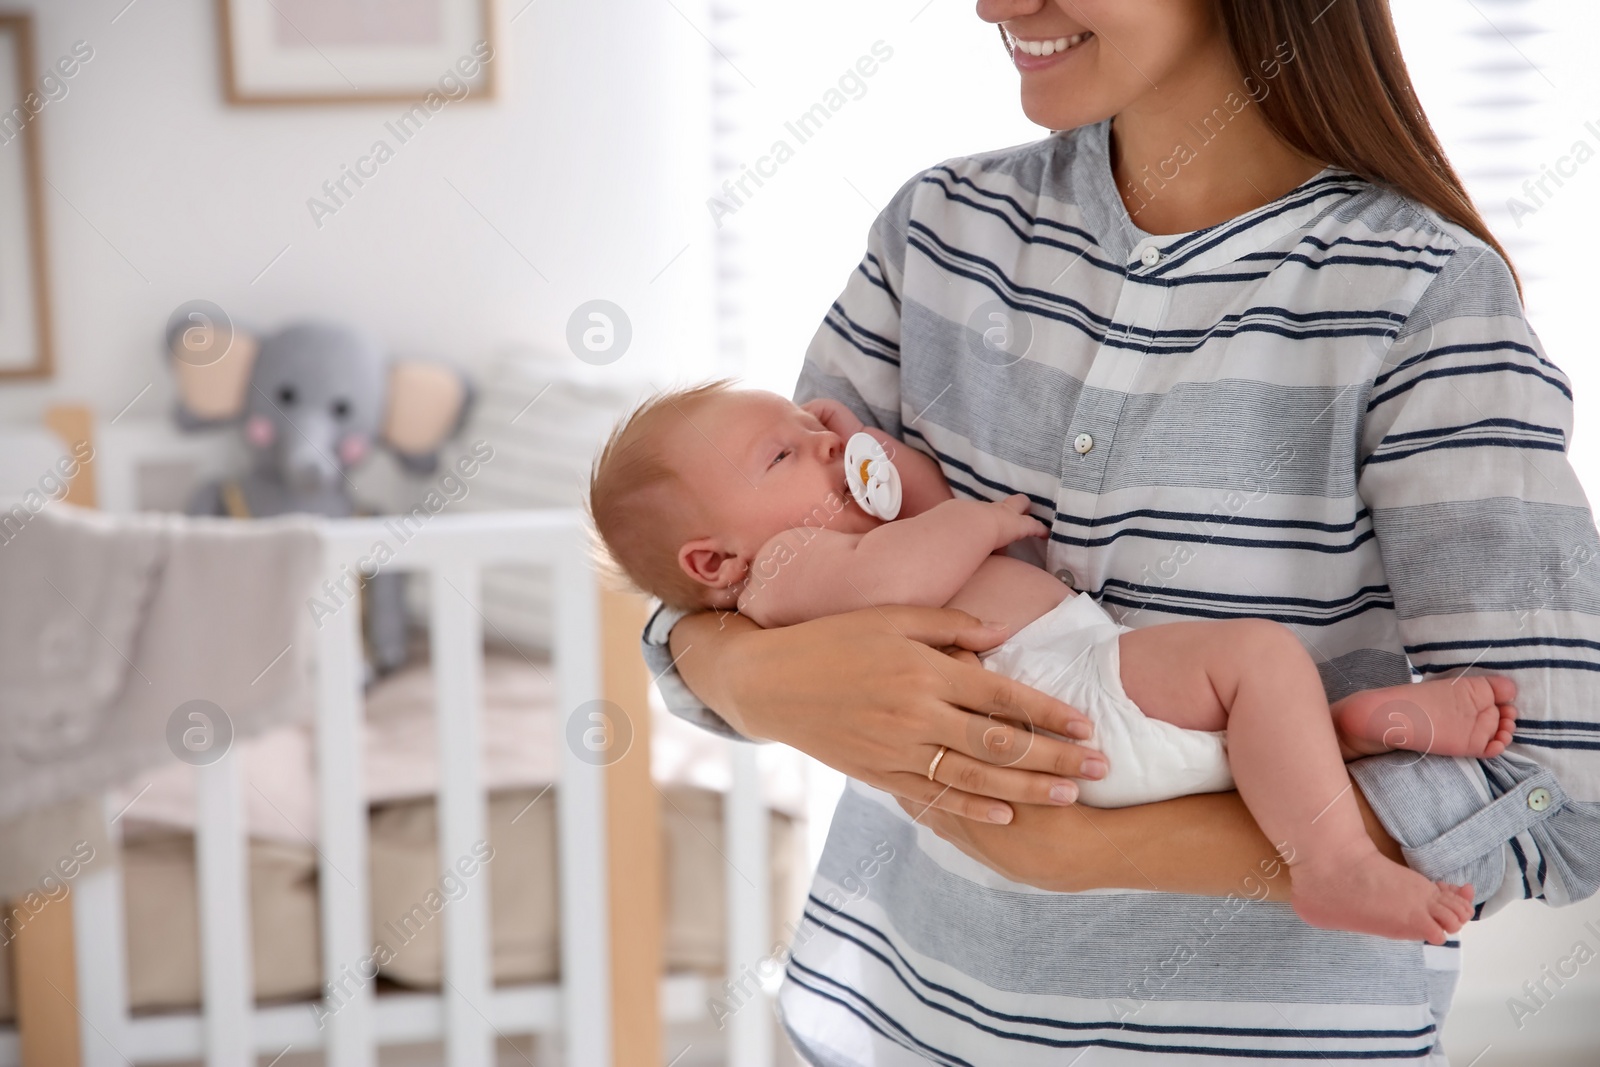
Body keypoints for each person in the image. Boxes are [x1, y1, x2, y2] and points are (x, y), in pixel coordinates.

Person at [643, 0, 1600, 1062]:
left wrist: (1084, 847)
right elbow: (728, 565)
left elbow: (1564, 790)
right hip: (888, 1022)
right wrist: (749, 680)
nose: (998, 6)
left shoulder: (1420, 300)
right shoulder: (938, 233)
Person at [592, 381, 1522, 942]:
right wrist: (981, 523)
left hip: (1086, 679)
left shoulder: (821, 541)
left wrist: (878, 457)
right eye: (784, 452)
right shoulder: (782, 576)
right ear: (712, 561)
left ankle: (1355, 729)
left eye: (810, 423)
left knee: (1254, 720)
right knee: (1254, 658)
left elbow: (916, 510)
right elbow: (904, 562)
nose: (825, 443)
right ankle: (1331, 859)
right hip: (1058, 698)